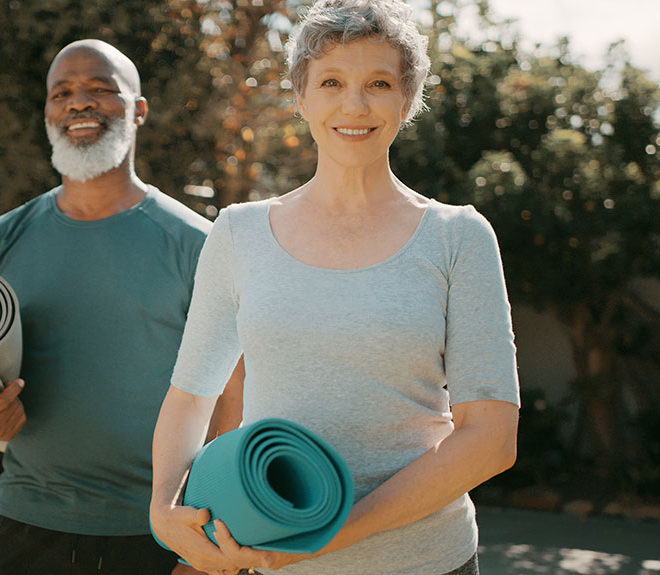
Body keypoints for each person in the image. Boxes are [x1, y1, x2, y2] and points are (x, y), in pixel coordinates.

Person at [149, 1, 520, 574]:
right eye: (330, 82)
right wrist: (163, 509)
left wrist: (332, 533)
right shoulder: (238, 232)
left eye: (378, 82)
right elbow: (191, 395)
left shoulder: (458, 237)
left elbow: (492, 437)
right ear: (301, 99)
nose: (354, 104)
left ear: (406, 100)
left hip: (427, 563)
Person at [0, 39, 239, 575]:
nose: (78, 103)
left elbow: (236, 396)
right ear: (47, 113)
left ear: (138, 110)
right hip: (25, 527)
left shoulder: (199, 245)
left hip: (160, 533)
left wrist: (203, 548)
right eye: (61, 92)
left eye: (101, 90)